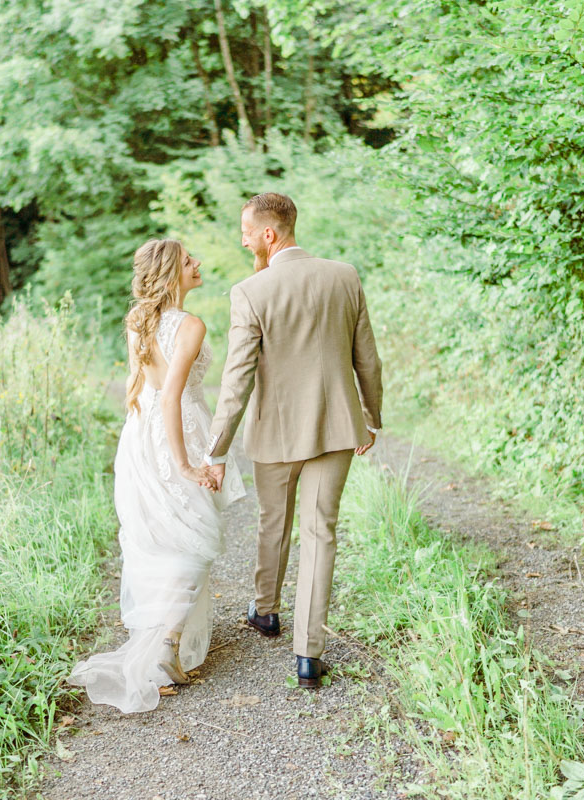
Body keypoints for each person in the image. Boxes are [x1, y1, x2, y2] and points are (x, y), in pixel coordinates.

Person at [204, 192, 383, 689]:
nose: (242, 239)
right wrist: (371, 416)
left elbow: (235, 379)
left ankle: (265, 611)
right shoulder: (343, 275)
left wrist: (216, 447)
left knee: (273, 521)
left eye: (245, 230)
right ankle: (308, 654)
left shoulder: (251, 291)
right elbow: (366, 356)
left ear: (269, 233)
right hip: (336, 426)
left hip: (277, 431)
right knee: (320, 530)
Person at [68, 239, 245, 714]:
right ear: (171, 274)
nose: (198, 264)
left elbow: (145, 389)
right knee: (193, 534)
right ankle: (165, 642)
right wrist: (186, 461)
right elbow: (170, 396)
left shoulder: (138, 321)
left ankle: (164, 640)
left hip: (139, 435)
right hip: (174, 433)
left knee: (164, 534)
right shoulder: (189, 325)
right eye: (189, 261)